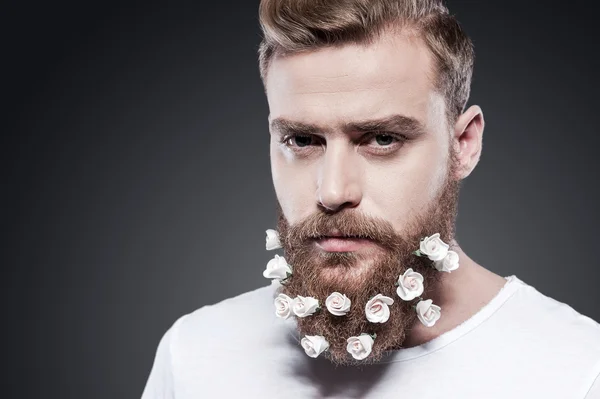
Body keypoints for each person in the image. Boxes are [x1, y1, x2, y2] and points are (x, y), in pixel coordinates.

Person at [141, 0, 600, 397]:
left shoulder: (578, 371)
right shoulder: (196, 355)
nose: (333, 191)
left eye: (382, 138)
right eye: (302, 140)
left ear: (463, 145)